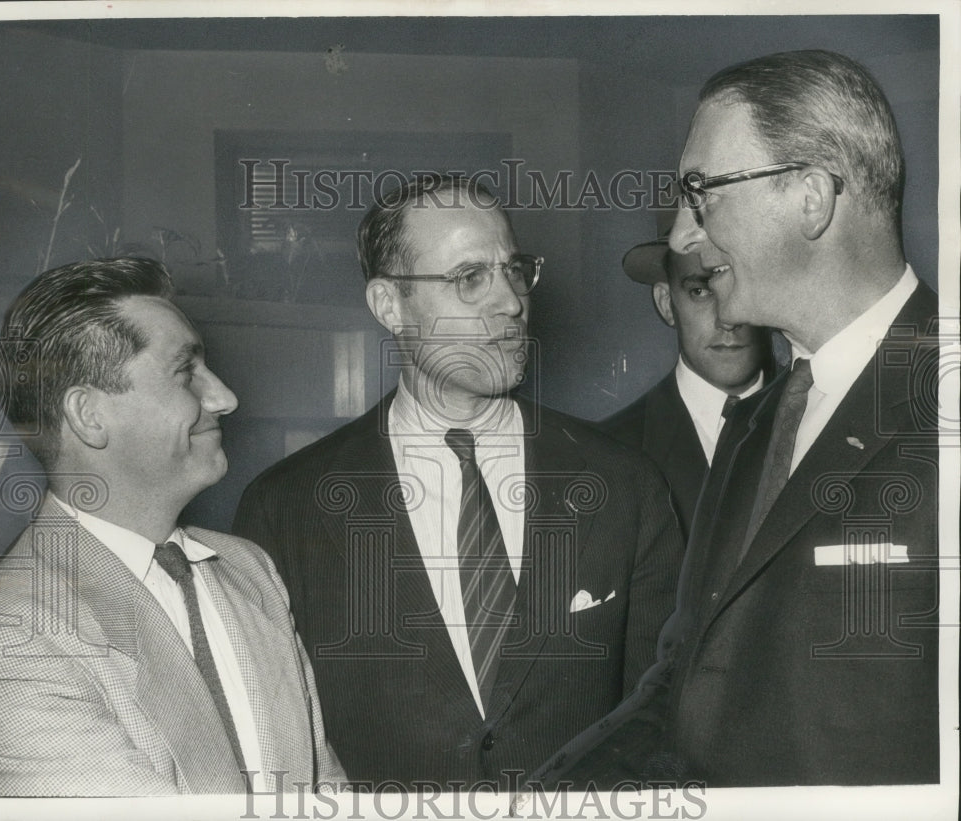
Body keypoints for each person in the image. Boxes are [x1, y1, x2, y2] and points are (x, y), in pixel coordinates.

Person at [527, 49, 940, 789]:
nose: (685, 235)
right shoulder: (754, 429)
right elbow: (682, 689)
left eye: (704, 192)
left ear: (810, 197)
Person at [234, 175, 684, 789]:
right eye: (470, 278)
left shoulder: (621, 484)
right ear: (389, 305)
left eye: (515, 270)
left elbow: (661, 719)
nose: (510, 302)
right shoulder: (285, 507)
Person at [0, 258, 344, 796]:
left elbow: (325, 790)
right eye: (185, 373)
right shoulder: (5, 632)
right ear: (89, 415)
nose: (224, 398)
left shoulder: (249, 570)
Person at [601, 213, 773, 535]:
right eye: (700, 291)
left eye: (742, 283)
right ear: (667, 304)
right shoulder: (608, 453)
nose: (728, 318)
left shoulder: (821, 424)